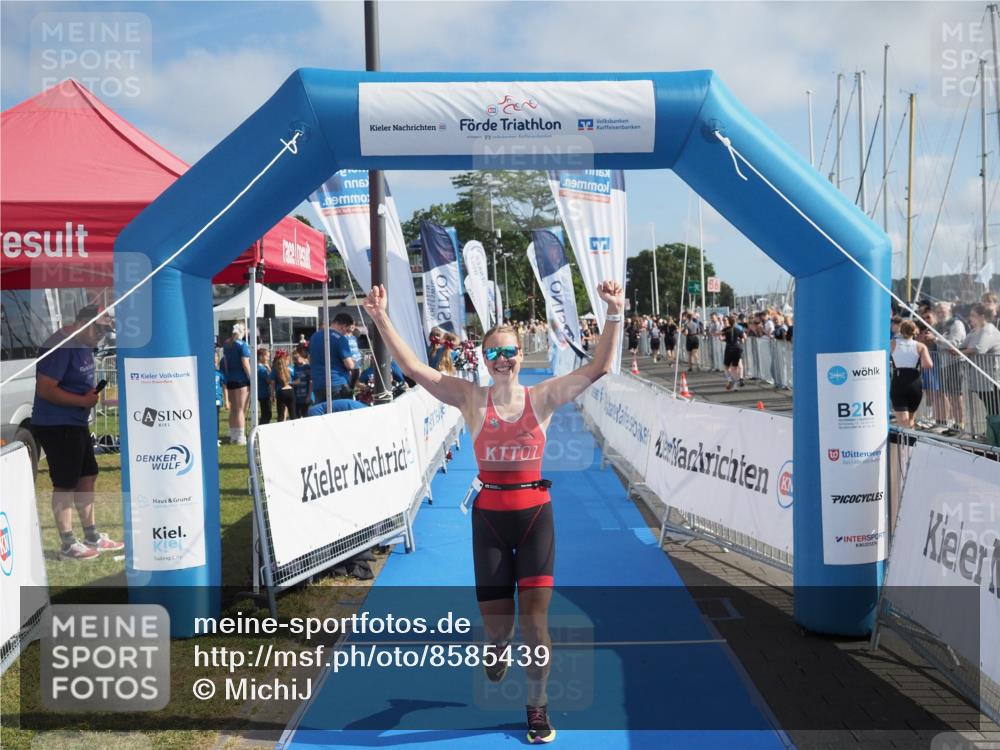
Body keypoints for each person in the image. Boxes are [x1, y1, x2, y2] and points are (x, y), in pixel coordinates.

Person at [364, 278, 624, 745]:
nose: (502, 361)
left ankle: (537, 707)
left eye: (510, 353)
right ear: (482, 359)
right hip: (488, 519)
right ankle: (497, 648)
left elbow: (601, 366)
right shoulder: (470, 398)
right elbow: (413, 367)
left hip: (534, 516)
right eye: (493, 354)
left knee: (536, 624)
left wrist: (614, 310)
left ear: (521, 356)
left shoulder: (541, 397)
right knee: (499, 628)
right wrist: (381, 317)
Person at [31, 305, 124, 560]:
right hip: (57, 424)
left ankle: (91, 535)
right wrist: (81, 402)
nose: (102, 336)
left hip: (75, 423)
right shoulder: (61, 346)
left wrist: (88, 397)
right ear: (83, 322)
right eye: (99, 329)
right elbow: (46, 389)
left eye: (106, 331)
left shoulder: (83, 343)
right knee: (65, 483)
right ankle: (68, 543)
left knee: (88, 477)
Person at [890, 320, 933, 429]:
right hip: (914, 381)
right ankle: (912, 444)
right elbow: (927, 365)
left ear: (901, 330)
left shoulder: (892, 343)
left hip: (899, 380)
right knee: (910, 419)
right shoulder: (920, 346)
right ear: (915, 332)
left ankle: (905, 445)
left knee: (902, 421)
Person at [308, 313, 357, 403]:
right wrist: (354, 362)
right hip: (337, 383)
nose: (346, 333)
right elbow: (350, 365)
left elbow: (310, 359)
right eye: (347, 330)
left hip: (319, 384)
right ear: (343, 326)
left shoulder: (314, 336)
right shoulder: (341, 339)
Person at [221, 322, 252, 444]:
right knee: (240, 409)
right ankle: (240, 436)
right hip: (241, 380)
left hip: (231, 379)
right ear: (242, 331)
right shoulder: (243, 345)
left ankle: (233, 435)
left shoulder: (227, 344)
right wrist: (251, 379)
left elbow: (226, 362)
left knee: (233, 409)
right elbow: (245, 364)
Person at [720, 315, 746, 391]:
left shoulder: (725, 329)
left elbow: (720, 337)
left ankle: (730, 379)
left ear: (728, 321)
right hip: (737, 348)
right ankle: (735, 386)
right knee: (735, 368)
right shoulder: (738, 330)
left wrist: (724, 339)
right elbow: (744, 338)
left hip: (729, 348)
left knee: (726, 367)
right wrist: (740, 340)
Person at [272, 350, 295, 422]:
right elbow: (297, 379)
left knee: (281, 415)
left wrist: (272, 394)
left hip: (280, 391)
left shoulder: (275, 370)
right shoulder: (291, 369)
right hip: (291, 390)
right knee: (293, 414)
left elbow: (270, 381)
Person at [292, 347, 312, 419]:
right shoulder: (293, 368)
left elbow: (311, 381)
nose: (296, 358)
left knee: (307, 416)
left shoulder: (307, 367)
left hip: (306, 397)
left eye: (298, 356)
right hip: (297, 397)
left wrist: (309, 395)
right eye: (294, 357)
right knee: (298, 417)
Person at [256, 346, 273, 425]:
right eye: (267, 356)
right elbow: (270, 380)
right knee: (267, 414)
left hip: (260, 393)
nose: (268, 358)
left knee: (265, 413)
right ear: (261, 356)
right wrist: (269, 369)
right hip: (264, 393)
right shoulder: (262, 369)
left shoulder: (256, 367)